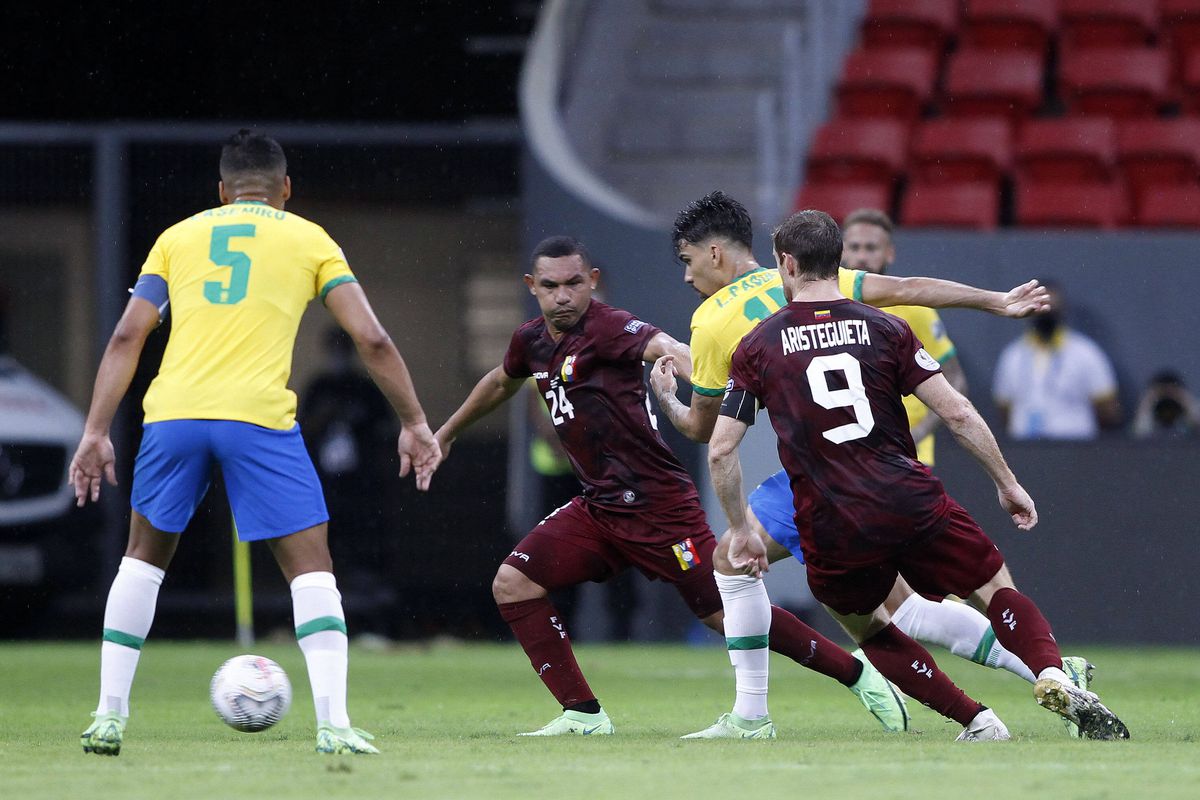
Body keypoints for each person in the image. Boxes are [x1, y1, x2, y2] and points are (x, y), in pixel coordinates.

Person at [649, 191, 1088, 740]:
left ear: (715, 253)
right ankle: (1050, 670)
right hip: (895, 476)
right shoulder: (852, 298)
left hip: (818, 484)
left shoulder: (714, 323)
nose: (687, 278)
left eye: (688, 262)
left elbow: (706, 430)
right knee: (938, 599)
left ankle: (754, 714)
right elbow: (910, 293)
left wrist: (667, 394)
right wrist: (996, 302)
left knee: (745, 567)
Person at [433, 235, 907, 737]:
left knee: (727, 616)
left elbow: (668, 347)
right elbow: (500, 381)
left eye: (574, 283)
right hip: (600, 506)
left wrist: (710, 381)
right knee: (512, 582)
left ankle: (858, 673)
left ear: (592, 282)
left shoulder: (611, 327)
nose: (563, 295)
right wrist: (445, 433)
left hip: (659, 506)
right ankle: (582, 713)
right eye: (550, 286)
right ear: (533, 287)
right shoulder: (529, 341)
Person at [70, 130, 440, 757]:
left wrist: (96, 431)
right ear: (285, 190)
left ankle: (108, 716)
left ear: (220, 191)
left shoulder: (177, 238)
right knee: (311, 568)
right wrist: (414, 421)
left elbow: (128, 338)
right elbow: (372, 340)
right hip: (258, 420)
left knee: (141, 560)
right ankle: (333, 724)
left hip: (174, 416)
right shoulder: (309, 238)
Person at [301, 327, 399, 637]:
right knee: (327, 543)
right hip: (324, 485)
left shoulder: (365, 389)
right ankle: (327, 604)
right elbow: (302, 428)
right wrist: (325, 417)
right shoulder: (319, 387)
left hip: (362, 484)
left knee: (364, 544)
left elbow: (386, 428)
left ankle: (370, 615)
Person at [993, 282, 1122, 440]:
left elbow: (1107, 409)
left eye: (1052, 309)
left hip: (1075, 446)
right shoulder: (1013, 355)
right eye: (1041, 309)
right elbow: (1004, 410)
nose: (1047, 314)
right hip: (1025, 447)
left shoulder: (1085, 353)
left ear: (1062, 310)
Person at [1131, 370, 1200, 439]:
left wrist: (1186, 400)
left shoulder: (1188, 427)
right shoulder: (1147, 425)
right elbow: (1138, 435)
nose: (1167, 409)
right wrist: (1147, 403)